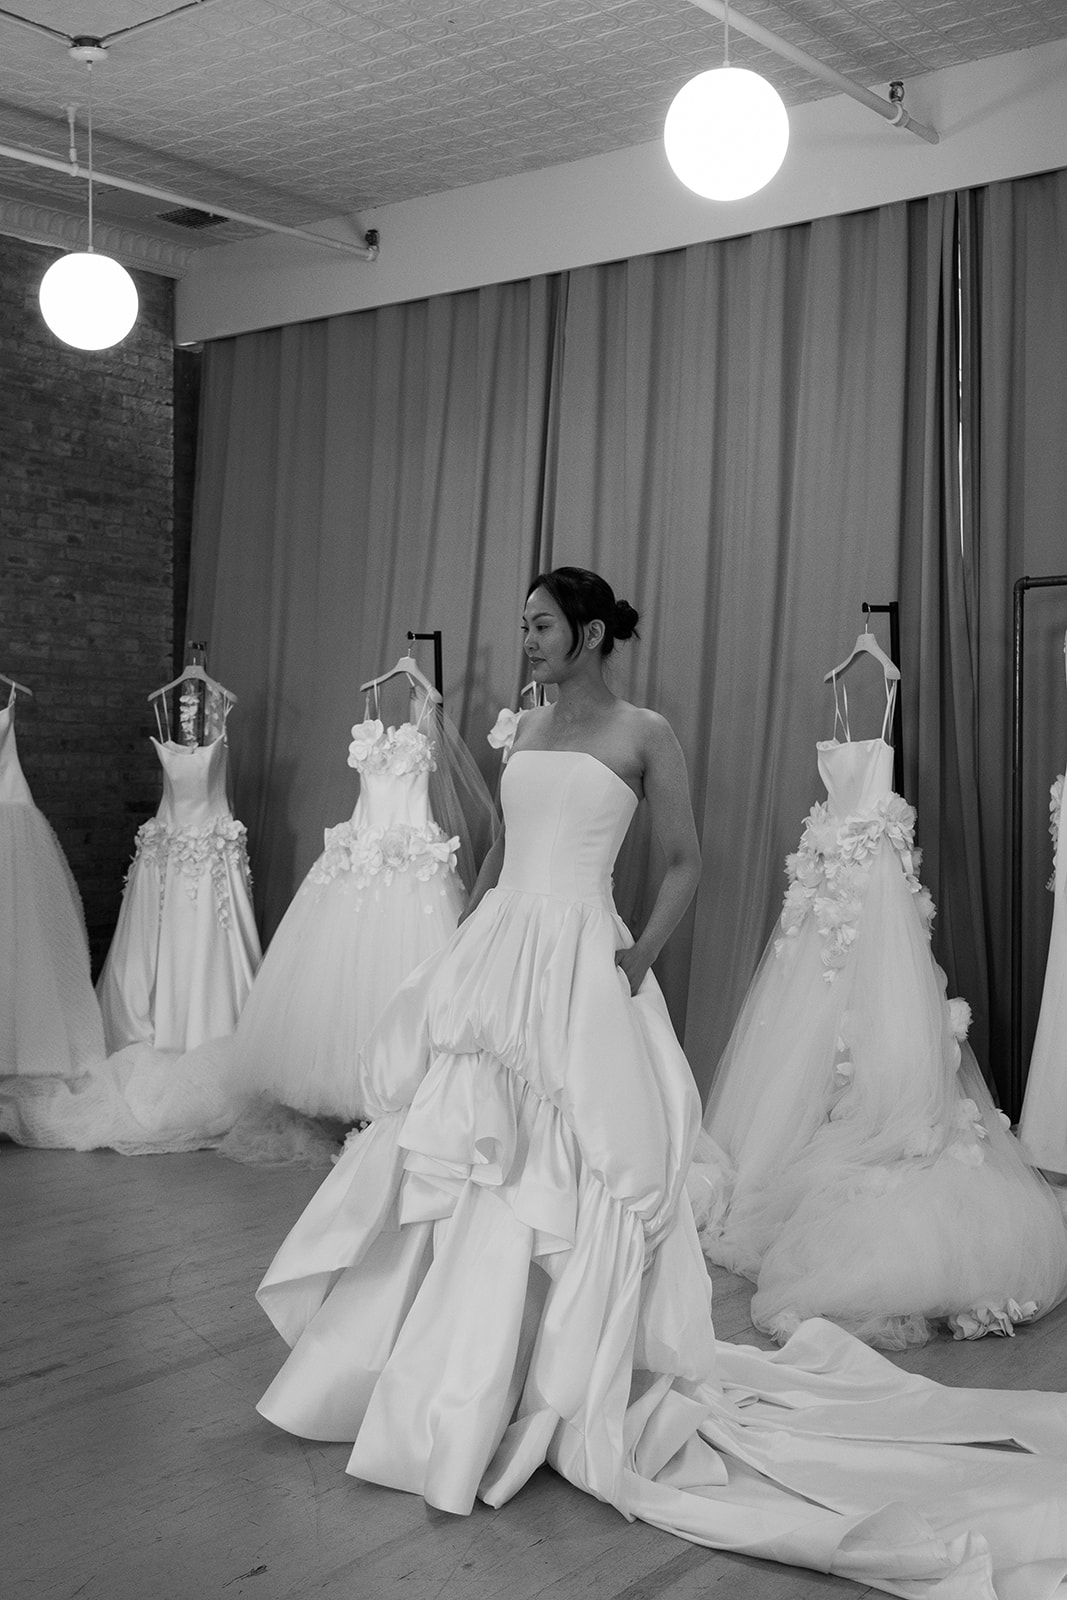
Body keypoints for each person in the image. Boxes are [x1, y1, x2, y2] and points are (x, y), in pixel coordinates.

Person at [253, 568, 1067, 1599]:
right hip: (502, 954)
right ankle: (451, 1377)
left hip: (586, 957)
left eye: (541, 625)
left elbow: (685, 859)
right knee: (466, 1161)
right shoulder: (527, 727)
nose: (528, 640)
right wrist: (465, 939)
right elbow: (504, 846)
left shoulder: (643, 731)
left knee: (579, 1162)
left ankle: (547, 1379)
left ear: (589, 631)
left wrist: (639, 961)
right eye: (524, 626)